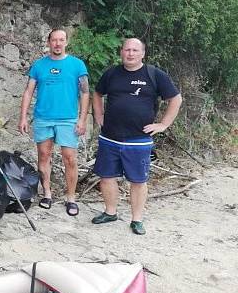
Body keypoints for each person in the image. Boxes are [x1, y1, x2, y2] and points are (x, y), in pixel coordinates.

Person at [91, 38, 182, 235]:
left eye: (135, 50)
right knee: (106, 177)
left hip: (139, 140)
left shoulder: (154, 74)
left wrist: (164, 124)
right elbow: (97, 93)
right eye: (127, 50)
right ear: (121, 52)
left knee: (138, 181)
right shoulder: (112, 73)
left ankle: (137, 219)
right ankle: (110, 212)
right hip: (109, 137)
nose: (130, 53)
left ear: (142, 53)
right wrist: (98, 115)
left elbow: (175, 98)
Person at [18, 29, 89, 216]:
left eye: (61, 40)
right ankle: (47, 194)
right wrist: (23, 117)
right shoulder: (39, 66)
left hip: (68, 119)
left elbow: (85, 93)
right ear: (48, 42)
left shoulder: (77, 65)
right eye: (54, 40)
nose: (57, 43)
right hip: (43, 118)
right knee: (43, 156)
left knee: (70, 158)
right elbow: (28, 92)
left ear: (66, 42)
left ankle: (71, 198)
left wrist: (82, 119)